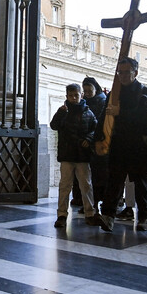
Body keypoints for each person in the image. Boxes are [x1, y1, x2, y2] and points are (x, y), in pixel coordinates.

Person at [94, 58, 147, 231]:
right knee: (114, 181)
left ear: (135, 72)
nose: (122, 75)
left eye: (126, 72)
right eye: (119, 72)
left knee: (141, 182)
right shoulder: (115, 92)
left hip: (138, 145)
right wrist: (98, 138)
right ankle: (108, 215)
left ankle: (144, 216)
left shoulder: (144, 92)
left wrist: (120, 112)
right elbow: (104, 116)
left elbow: (144, 117)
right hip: (119, 143)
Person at [50, 83, 109, 230]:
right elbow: (54, 125)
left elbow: (95, 129)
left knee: (86, 185)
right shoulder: (64, 111)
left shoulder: (88, 112)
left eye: (76, 95)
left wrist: (88, 139)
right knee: (65, 185)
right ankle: (61, 215)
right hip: (67, 154)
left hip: (82, 155)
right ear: (67, 96)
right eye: (71, 95)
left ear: (81, 95)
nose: (74, 98)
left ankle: (90, 213)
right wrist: (60, 113)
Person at [82, 77, 108, 213]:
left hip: (98, 142)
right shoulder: (84, 102)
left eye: (89, 90)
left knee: (99, 175)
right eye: (84, 91)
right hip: (87, 143)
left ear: (95, 88)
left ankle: (99, 202)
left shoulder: (102, 101)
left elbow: (98, 123)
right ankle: (89, 202)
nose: (86, 93)